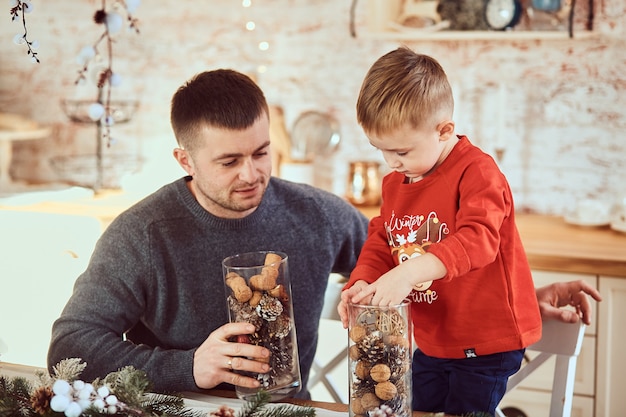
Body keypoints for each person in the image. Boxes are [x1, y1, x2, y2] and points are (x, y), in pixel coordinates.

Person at [47, 69, 370, 398]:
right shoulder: (141, 234)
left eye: (261, 153)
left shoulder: (320, 215)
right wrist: (189, 367)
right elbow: (69, 349)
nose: (251, 174)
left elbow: (393, 258)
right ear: (185, 161)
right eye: (229, 162)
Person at [337, 46, 542, 416]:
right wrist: (362, 281)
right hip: (431, 342)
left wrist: (409, 272)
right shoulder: (396, 183)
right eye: (381, 150)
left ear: (444, 130)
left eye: (401, 150)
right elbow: (384, 240)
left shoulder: (478, 173)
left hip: (486, 343)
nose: (392, 163)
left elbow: (478, 239)